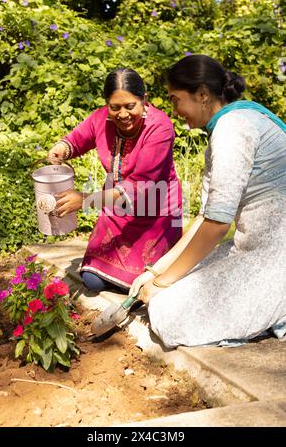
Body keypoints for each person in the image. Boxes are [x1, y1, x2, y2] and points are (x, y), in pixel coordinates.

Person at [129, 54, 286, 347]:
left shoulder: (232, 128)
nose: (174, 110)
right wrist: (157, 270)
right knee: (170, 285)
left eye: (175, 100)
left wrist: (162, 283)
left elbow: (216, 225)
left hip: (276, 256)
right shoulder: (233, 122)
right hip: (254, 246)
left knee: (167, 311)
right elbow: (205, 216)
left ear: (202, 94)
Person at [47, 68, 182, 293]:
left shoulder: (160, 128)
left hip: (156, 215)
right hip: (116, 211)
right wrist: (61, 149)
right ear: (107, 105)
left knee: (147, 286)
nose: (122, 114)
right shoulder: (101, 119)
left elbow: (140, 186)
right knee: (92, 280)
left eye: (130, 106)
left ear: (144, 101)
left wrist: (84, 200)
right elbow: (78, 139)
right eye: (115, 107)